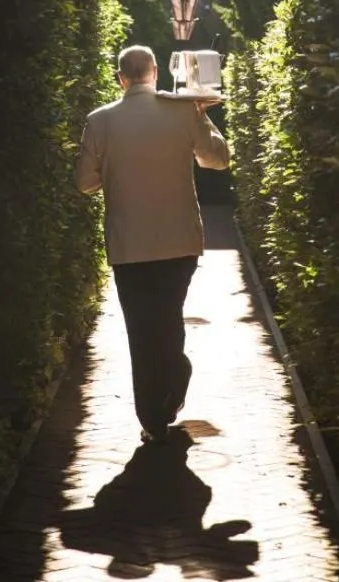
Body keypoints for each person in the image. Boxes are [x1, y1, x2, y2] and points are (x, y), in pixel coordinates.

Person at [74, 43, 230, 443]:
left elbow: (84, 183)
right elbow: (218, 159)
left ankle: (154, 416)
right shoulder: (182, 111)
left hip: (129, 245)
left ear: (120, 78)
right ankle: (174, 378)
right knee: (168, 316)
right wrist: (202, 114)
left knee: (141, 330)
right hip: (180, 241)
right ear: (156, 73)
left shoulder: (99, 120)